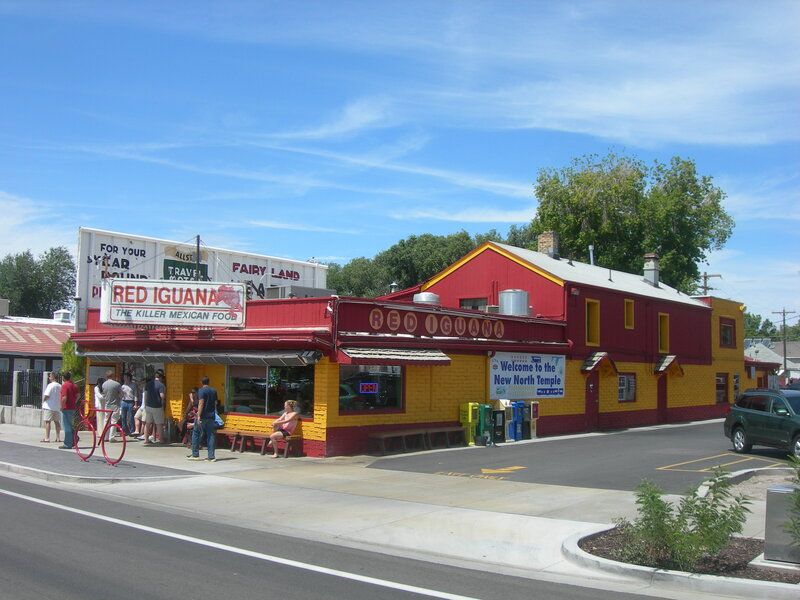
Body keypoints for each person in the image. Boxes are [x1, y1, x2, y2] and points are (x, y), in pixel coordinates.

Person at [188, 377, 218, 462]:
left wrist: (198, 415)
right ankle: (211, 456)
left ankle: (195, 454)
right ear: (209, 382)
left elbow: (201, 403)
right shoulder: (214, 390)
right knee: (211, 435)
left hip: (203, 416)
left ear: (201, 382)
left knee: (196, 433)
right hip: (211, 416)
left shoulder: (201, 391)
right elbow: (215, 403)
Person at [140, 372, 165, 445]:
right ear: (160, 377)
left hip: (148, 406)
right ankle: (161, 440)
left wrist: (145, 405)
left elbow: (146, 395)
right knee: (159, 424)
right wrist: (163, 400)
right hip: (157, 406)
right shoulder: (161, 385)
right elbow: (162, 396)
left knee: (147, 423)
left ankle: (146, 440)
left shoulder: (148, 384)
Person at [59, 372, 79, 449]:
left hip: (66, 407)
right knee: (70, 424)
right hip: (72, 407)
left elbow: (64, 397)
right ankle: (74, 439)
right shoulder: (74, 385)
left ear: (63, 378)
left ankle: (67, 443)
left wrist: (62, 406)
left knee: (67, 426)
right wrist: (74, 401)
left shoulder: (65, 385)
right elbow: (78, 395)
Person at [41, 372, 62, 443]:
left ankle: (47, 438)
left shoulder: (50, 385)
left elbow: (47, 395)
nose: (49, 378)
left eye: (50, 376)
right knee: (57, 422)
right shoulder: (60, 386)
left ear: (53, 377)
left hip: (49, 406)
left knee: (47, 422)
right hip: (57, 406)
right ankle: (58, 437)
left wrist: (43, 401)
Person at [101, 370, 122, 441]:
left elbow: (103, 395)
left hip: (107, 404)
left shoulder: (104, 384)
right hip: (115, 404)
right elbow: (121, 394)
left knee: (106, 420)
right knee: (114, 421)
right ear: (113, 376)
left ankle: (105, 436)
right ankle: (111, 437)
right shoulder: (117, 384)